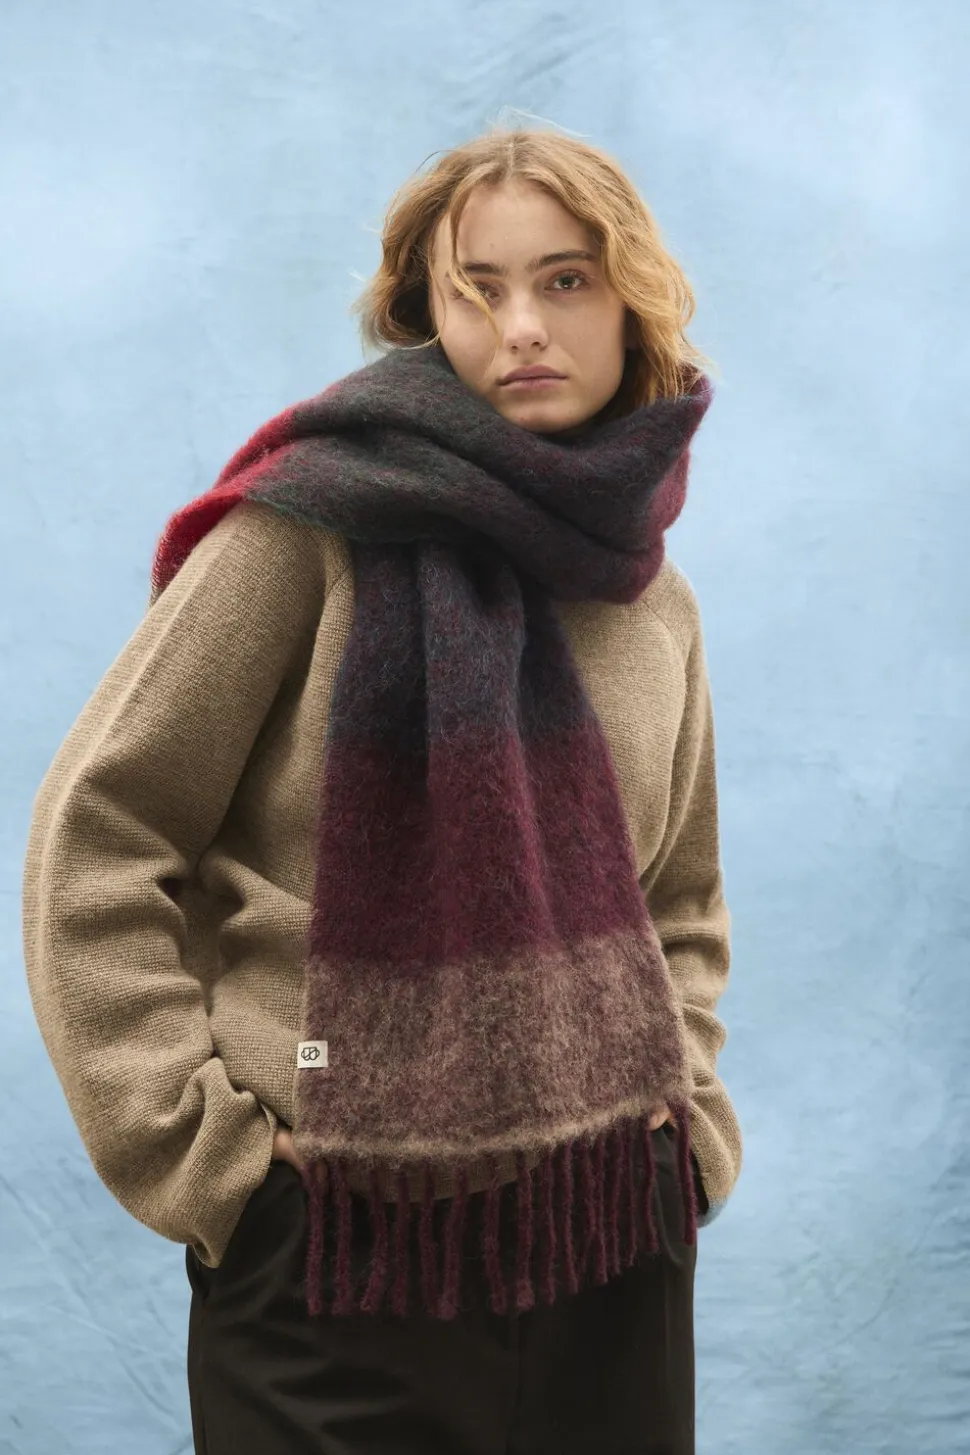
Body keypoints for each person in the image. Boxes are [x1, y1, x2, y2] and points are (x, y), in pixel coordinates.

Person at [22, 124, 742, 1454]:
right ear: (426, 311)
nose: (520, 325)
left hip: (603, 1238)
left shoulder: (654, 601)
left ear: (632, 297)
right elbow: (98, 837)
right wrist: (216, 1169)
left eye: (565, 280)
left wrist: (683, 1128)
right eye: (477, 287)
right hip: (332, 1252)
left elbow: (681, 897)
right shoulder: (303, 533)